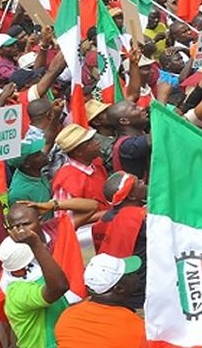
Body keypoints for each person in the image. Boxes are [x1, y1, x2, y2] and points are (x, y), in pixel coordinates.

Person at [0, 226, 69, 348]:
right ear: (25, 267)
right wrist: (35, 244)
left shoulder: (33, 278)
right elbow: (59, 287)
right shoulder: (18, 292)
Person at [55, 254, 146, 348]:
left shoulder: (68, 315)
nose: (136, 275)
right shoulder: (136, 328)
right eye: (130, 274)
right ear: (119, 289)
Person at [92, 171, 147, 309]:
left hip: (118, 288)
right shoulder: (141, 218)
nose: (143, 181)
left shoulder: (103, 220)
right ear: (132, 195)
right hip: (143, 292)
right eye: (138, 182)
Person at [52, 124, 110, 212]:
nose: (97, 142)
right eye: (89, 142)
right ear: (78, 152)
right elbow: (66, 217)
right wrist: (108, 214)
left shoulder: (96, 165)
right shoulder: (68, 178)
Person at [8, 137, 52, 212]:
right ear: (26, 164)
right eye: (37, 154)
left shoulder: (35, 171)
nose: (43, 154)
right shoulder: (18, 194)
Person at [85, 99, 116, 173]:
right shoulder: (97, 144)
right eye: (105, 113)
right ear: (96, 122)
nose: (110, 113)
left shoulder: (118, 130)